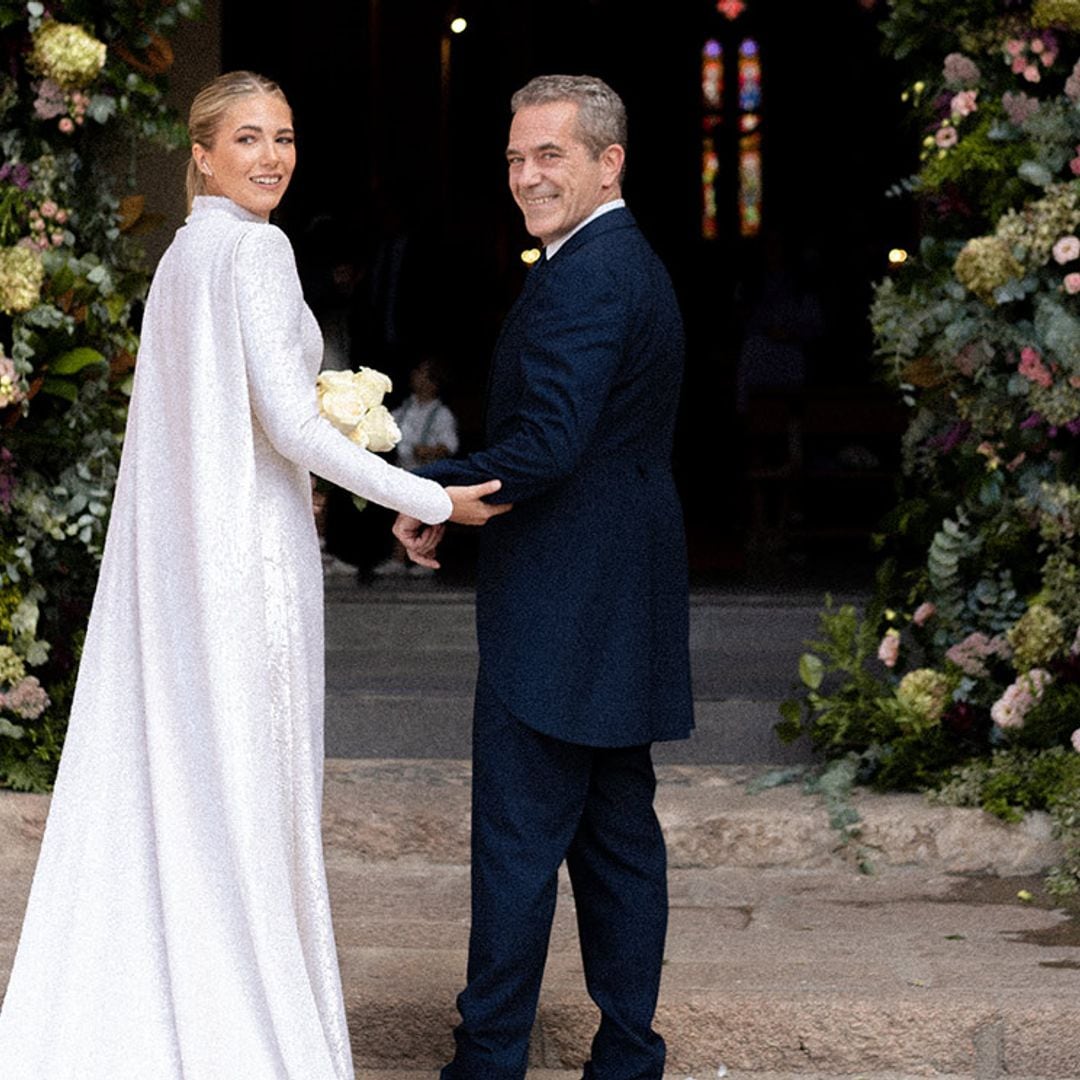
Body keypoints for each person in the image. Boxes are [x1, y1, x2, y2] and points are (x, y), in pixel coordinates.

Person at [0, 71, 507, 1080]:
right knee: (251, 802)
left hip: (189, 572)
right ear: (201, 154)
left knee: (189, 797)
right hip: (249, 576)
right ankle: (251, 1033)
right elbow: (287, 421)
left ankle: (167, 1013)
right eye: (247, 138)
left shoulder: (184, 258)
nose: (272, 156)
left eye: (284, 137)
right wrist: (430, 496)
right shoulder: (257, 250)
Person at [394, 74, 694, 1080]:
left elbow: (549, 443)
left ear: (611, 160)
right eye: (516, 158)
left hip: (563, 611)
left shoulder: (589, 273)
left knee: (519, 850)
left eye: (550, 155)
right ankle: (628, 1058)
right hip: (617, 597)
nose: (526, 176)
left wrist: (430, 489)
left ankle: (486, 1065)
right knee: (617, 843)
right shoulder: (614, 263)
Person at [374, 356, 460, 577]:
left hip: (429, 474)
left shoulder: (441, 414)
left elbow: (449, 446)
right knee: (402, 513)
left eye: (422, 373)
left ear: (433, 382)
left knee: (427, 518)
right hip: (404, 470)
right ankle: (399, 558)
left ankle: (424, 558)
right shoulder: (405, 409)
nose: (415, 376)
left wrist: (426, 451)